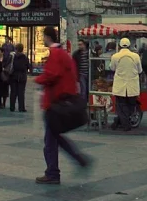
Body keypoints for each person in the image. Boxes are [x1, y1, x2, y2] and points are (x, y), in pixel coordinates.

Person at [34, 27, 90, 184]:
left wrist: (38, 80)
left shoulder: (56, 54)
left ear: (47, 37)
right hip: (60, 102)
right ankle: (79, 159)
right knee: (55, 137)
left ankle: (52, 173)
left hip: (54, 104)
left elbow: (52, 74)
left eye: (43, 36)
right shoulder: (64, 54)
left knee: (50, 141)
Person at [109, 37, 143, 132]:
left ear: (119, 45)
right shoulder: (135, 56)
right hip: (132, 84)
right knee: (131, 104)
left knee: (121, 104)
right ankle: (122, 121)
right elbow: (140, 70)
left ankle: (123, 122)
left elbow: (112, 68)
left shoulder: (115, 56)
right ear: (129, 46)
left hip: (120, 84)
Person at [9, 43, 31, 112]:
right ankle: (21, 107)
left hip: (14, 76)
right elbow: (28, 67)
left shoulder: (13, 57)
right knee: (21, 93)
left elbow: (10, 65)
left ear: (16, 49)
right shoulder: (25, 57)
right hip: (22, 77)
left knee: (13, 92)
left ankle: (12, 107)